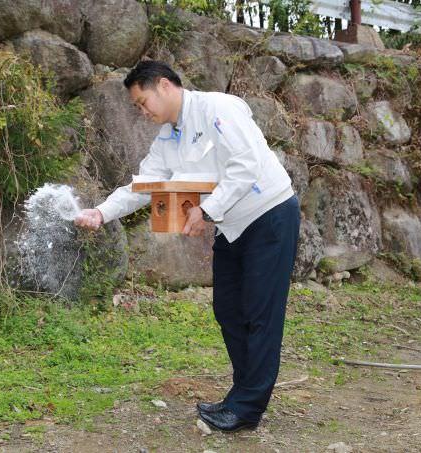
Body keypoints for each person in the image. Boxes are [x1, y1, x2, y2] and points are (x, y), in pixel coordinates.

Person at [74, 60, 300, 432]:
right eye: (137, 107)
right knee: (229, 310)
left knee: (261, 314)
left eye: (142, 101)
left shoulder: (218, 109)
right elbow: (144, 186)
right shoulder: (169, 137)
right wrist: (101, 212)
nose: (142, 111)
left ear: (164, 85)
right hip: (232, 226)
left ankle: (246, 408)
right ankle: (241, 395)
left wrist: (208, 211)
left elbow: (246, 164)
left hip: (270, 214)